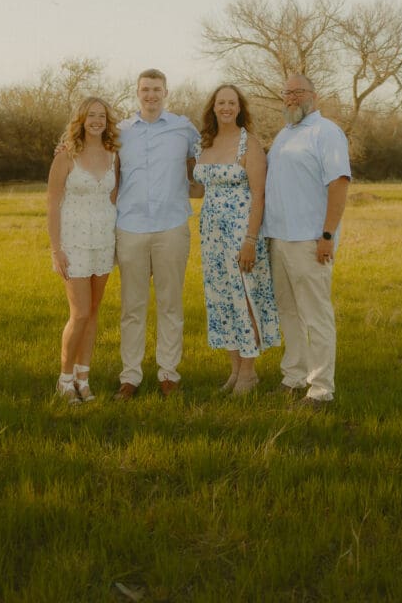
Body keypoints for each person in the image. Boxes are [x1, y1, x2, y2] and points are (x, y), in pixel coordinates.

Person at [263, 74, 351, 408]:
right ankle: (294, 376)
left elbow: (339, 183)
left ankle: (321, 389)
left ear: (314, 96)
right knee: (289, 311)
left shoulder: (325, 132)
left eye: (298, 92)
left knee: (316, 315)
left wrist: (327, 234)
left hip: (310, 240)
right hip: (280, 238)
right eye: (286, 92)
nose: (291, 98)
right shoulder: (286, 133)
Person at [114, 69, 199, 400]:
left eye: (157, 89)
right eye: (145, 89)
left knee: (170, 304)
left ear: (166, 92)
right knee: (132, 307)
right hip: (130, 227)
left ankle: (168, 374)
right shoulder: (121, 131)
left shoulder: (183, 128)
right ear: (136, 93)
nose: (151, 95)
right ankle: (130, 377)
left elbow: (211, 154)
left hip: (172, 226)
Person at [193, 85, 280, 395]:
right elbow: (198, 188)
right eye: (221, 102)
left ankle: (249, 373)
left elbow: (259, 194)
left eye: (232, 102)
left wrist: (250, 240)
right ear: (213, 107)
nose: (226, 107)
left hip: (241, 230)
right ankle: (233, 372)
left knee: (245, 297)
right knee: (223, 300)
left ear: (240, 108)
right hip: (211, 234)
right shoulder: (203, 143)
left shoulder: (250, 144)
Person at [47, 97, 120, 403]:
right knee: (78, 313)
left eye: (101, 116)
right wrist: (55, 249)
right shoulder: (66, 155)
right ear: (81, 119)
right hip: (73, 243)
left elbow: (113, 197)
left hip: (103, 241)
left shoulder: (114, 154)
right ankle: (64, 380)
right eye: (91, 115)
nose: (96, 120)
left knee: (92, 312)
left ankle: (83, 377)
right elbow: (52, 202)